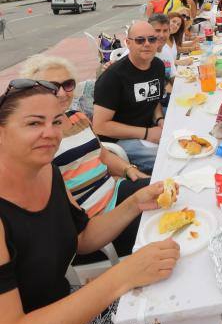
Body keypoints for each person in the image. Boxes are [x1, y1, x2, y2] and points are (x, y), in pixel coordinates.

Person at [0, 79, 179, 324]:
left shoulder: (48, 172)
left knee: (157, 313)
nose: (50, 132)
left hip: (56, 317)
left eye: (56, 121)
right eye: (34, 123)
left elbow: (82, 239)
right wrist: (121, 277)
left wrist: (134, 203)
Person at [19, 55, 149, 255]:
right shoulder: (36, 139)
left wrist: (128, 169)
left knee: (167, 189)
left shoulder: (77, 117)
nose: (62, 93)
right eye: (52, 86)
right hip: (96, 223)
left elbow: (103, 155)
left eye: (67, 84)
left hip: (115, 192)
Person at [93, 21, 166, 174]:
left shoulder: (158, 65)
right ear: (128, 43)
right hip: (120, 141)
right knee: (169, 159)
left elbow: (154, 100)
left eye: (152, 39)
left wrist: (159, 119)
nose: (147, 44)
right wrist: (147, 133)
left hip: (148, 129)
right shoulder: (112, 77)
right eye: (140, 40)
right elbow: (100, 126)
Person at [148, 14, 175, 83]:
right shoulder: (138, 52)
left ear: (169, 32)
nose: (162, 35)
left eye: (165, 30)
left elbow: (172, 76)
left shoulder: (166, 48)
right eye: (157, 30)